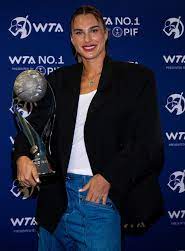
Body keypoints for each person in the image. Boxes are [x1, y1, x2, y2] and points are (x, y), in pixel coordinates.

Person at [14, 5, 164, 251]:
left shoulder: (136, 78)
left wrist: (109, 177)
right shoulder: (57, 81)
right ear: (72, 39)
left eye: (94, 30)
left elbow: (148, 143)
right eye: (79, 32)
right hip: (55, 200)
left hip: (99, 197)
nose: (87, 39)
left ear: (106, 34)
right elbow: (32, 127)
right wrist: (21, 155)